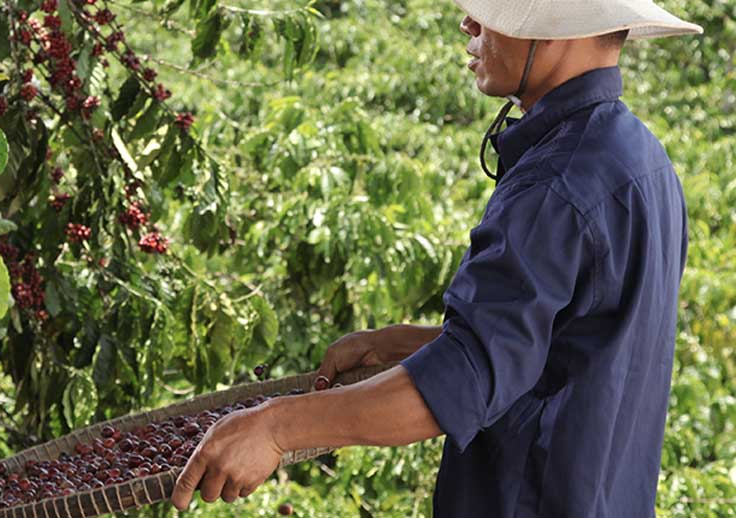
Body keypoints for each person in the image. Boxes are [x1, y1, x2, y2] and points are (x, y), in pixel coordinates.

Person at [171, 0, 703, 515]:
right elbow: (565, 350)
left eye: (496, 12)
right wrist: (409, 345)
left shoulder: (556, 186)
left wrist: (275, 426)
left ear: (559, 27)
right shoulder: (641, 160)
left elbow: (460, 385)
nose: (470, 22)